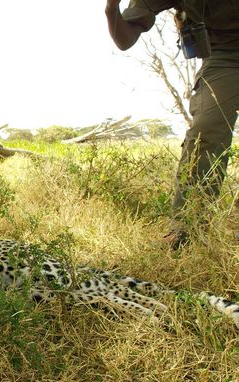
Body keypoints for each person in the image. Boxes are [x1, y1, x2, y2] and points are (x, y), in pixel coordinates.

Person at [105, 0, 239, 249]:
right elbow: (124, 40)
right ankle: (187, 229)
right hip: (225, 56)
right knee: (206, 132)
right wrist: (111, 8)